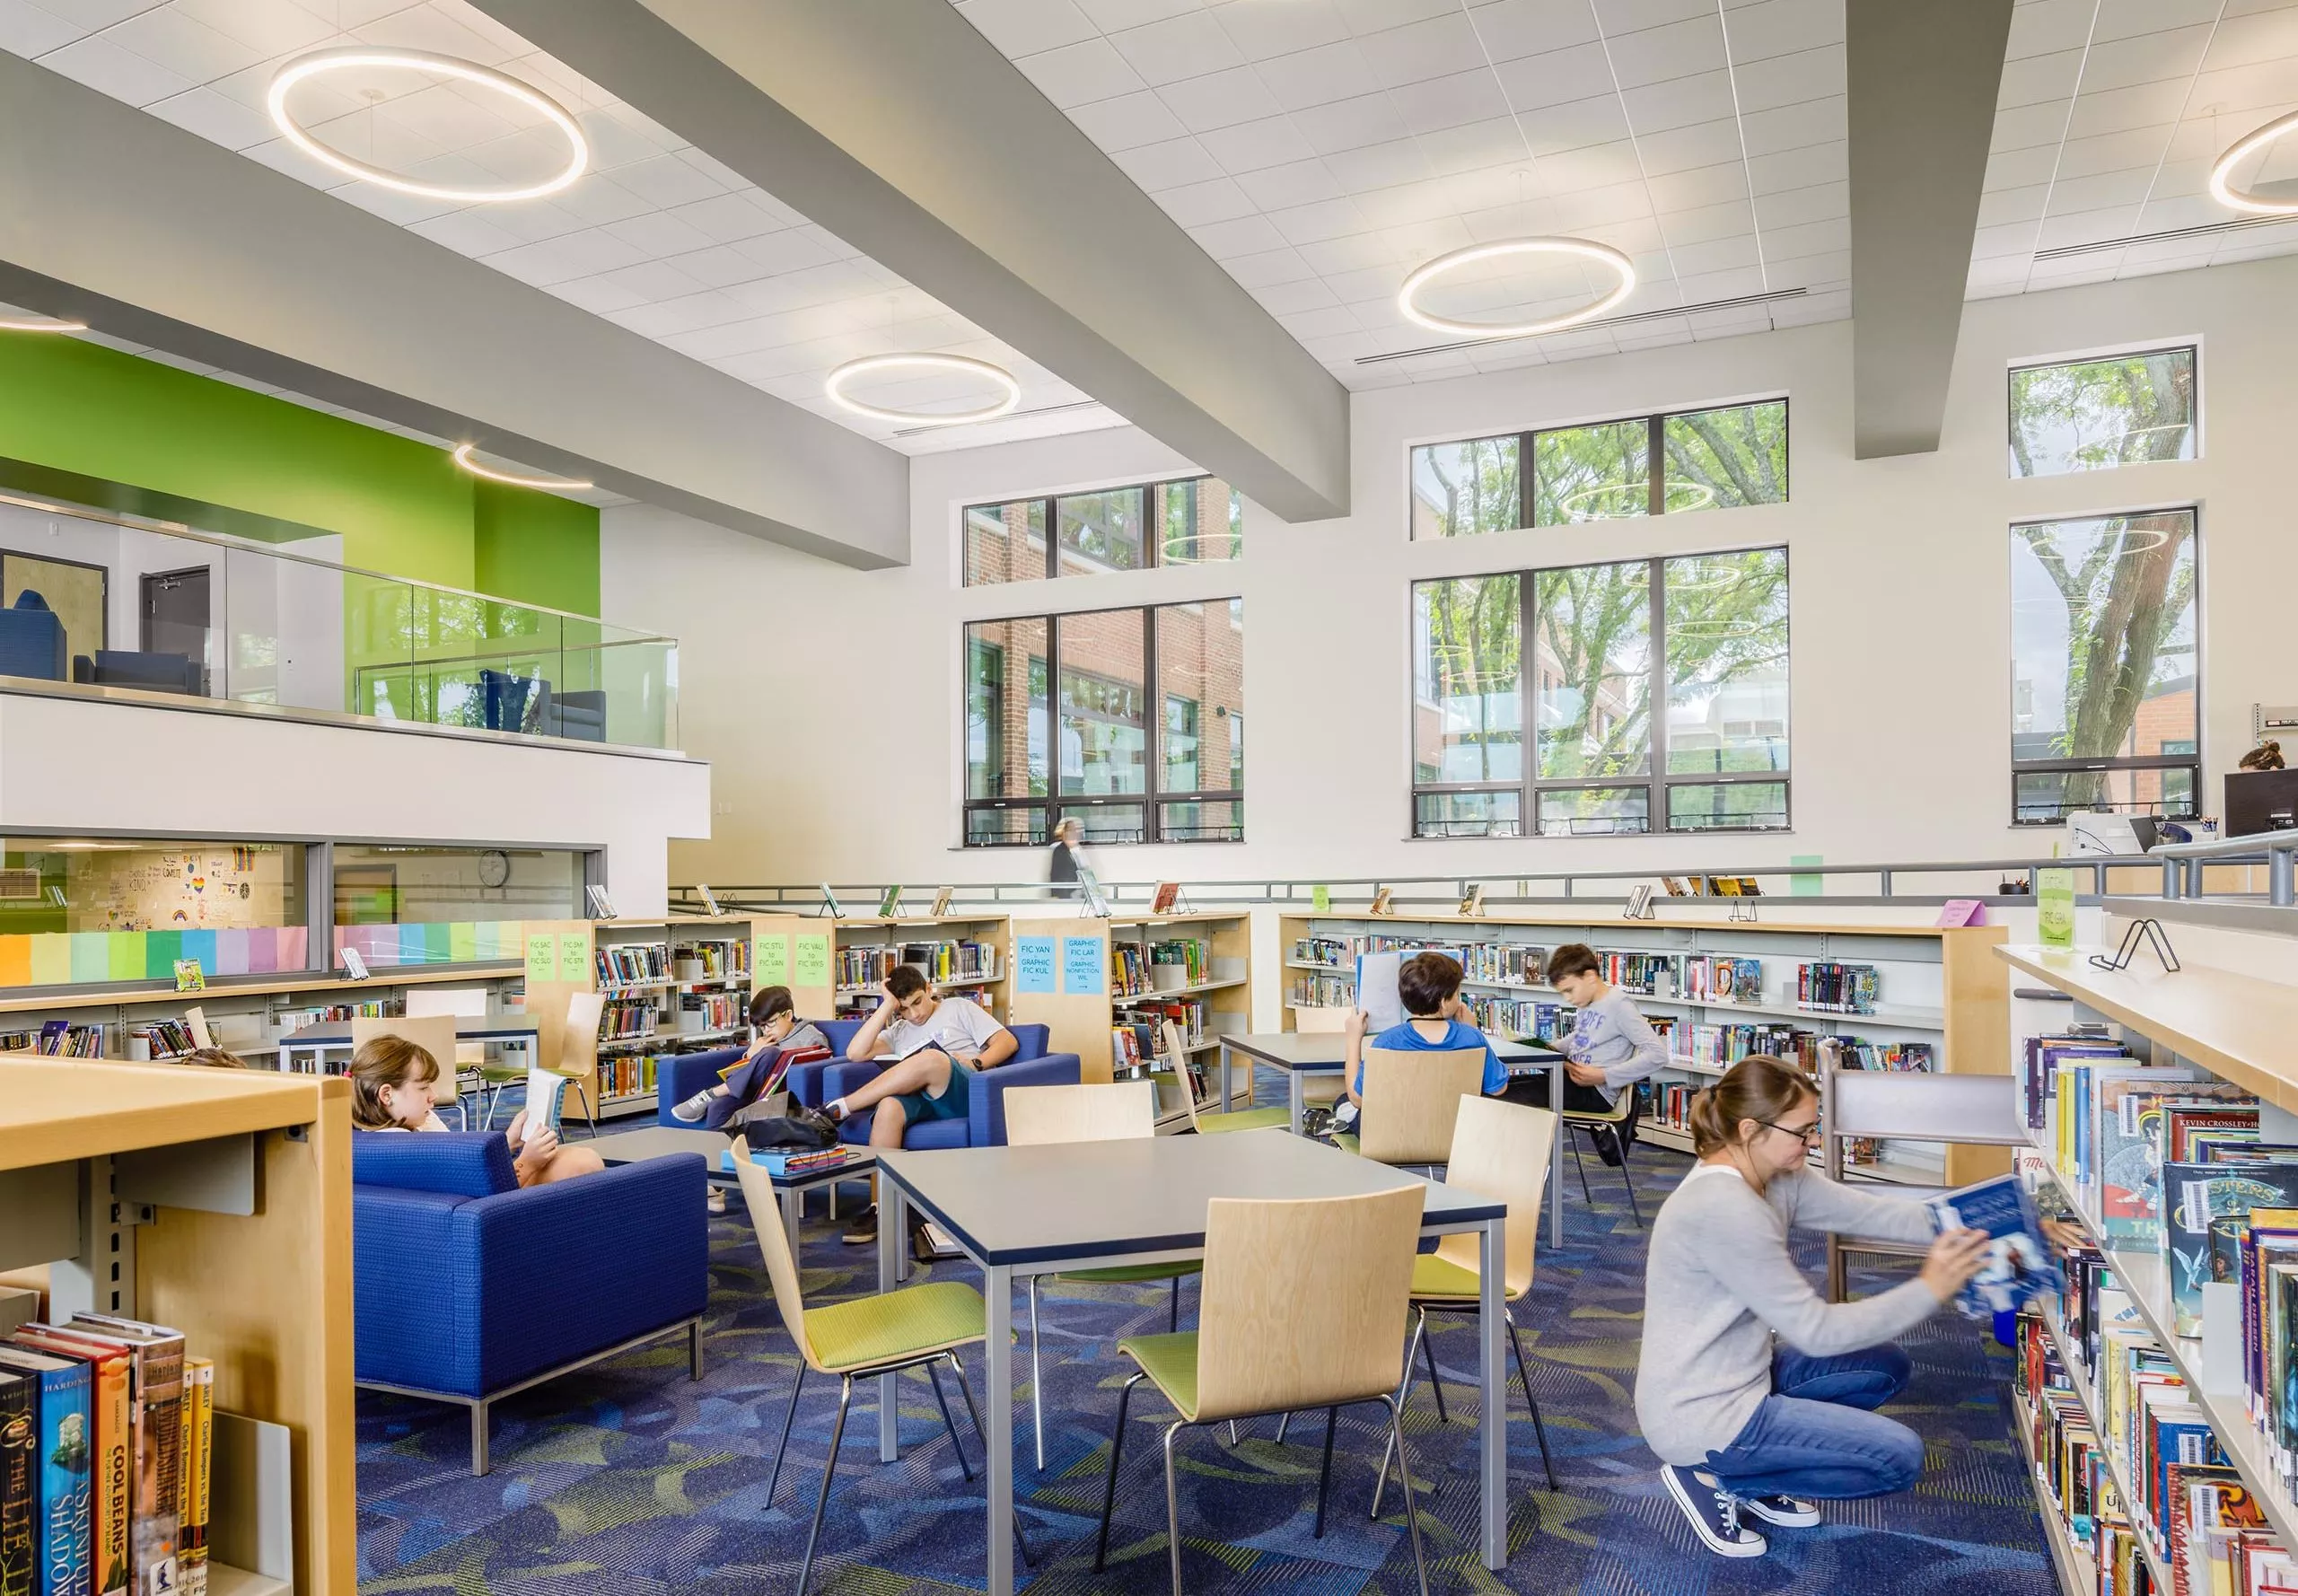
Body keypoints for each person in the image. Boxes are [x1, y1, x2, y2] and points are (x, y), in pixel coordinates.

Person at [1634, 1054, 1991, 1559]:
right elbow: (1818, 1332)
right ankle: (1717, 1474)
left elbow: (1879, 1214)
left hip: (1742, 1376)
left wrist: (2009, 1224)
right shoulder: (1723, 1208)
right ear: (1751, 1128)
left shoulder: (1773, 1173)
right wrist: (1931, 1288)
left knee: (1883, 1366)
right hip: (1701, 1414)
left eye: (1814, 1128)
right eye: (1803, 1132)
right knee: (1898, 1459)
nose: (1814, 1142)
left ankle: (1751, 1472)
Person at [825, 964, 1017, 1247]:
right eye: (904, 1009)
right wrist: (887, 1006)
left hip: (965, 1091)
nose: (915, 1014)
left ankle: (841, 1108)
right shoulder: (900, 1029)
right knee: (889, 1106)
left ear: (929, 989)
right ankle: (882, 1207)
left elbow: (1007, 1041)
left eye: (917, 1001)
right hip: (924, 1099)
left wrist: (976, 1062)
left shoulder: (958, 1008)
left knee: (933, 1059)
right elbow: (855, 1053)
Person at [347, 1033, 606, 1188]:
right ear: (386, 1094)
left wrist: (507, 1142)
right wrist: (528, 1162)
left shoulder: (410, 1126)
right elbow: (476, 1194)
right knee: (581, 1165)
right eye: (423, 1087)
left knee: (579, 1159)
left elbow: (461, 1166)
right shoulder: (405, 1147)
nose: (434, 1096)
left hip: (482, 1204)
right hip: (488, 1213)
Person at [1512, 941, 1669, 1162]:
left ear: (1590, 977)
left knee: (1501, 1096)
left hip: (1595, 1092)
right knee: (1500, 1087)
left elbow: (1658, 1055)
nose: (1567, 998)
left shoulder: (1620, 1006)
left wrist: (1604, 1076)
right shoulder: (1588, 1003)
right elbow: (1580, 1038)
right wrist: (1549, 1049)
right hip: (1573, 1080)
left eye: (1569, 990)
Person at [1338, 951, 1508, 1128]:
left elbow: (1358, 1099)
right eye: (1457, 994)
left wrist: (1353, 1039)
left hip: (1396, 1139)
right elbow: (1498, 1089)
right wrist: (1471, 1029)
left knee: (1344, 1102)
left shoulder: (1386, 1042)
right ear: (1443, 1002)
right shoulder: (1471, 1038)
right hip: (1455, 1137)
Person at [668, 985, 831, 1129]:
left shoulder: (811, 1036)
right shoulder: (765, 1040)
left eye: (770, 1023)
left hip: (781, 1096)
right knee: (718, 1107)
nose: (766, 1030)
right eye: (761, 1026)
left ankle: (713, 1093)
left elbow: (818, 1070)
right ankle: (722, 1151)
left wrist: (768, 1055)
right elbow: (750, 1071)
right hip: (750, 1093)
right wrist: (751, 1054)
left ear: (788, 1015)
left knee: (771, 1053)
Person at [1047, 817, 1090, 899]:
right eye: (1071, 830)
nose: (1075, 833)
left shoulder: (1076, 851)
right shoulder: (1059, 851)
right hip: (1067, 897)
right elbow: (1058, 876)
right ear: (1064, 833)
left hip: (1078, 895)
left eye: (1075, 830)